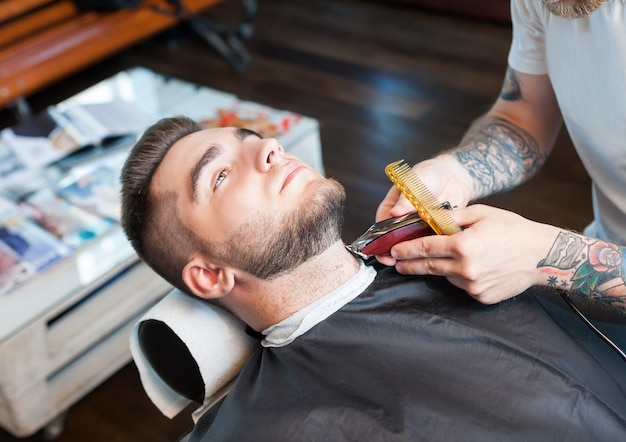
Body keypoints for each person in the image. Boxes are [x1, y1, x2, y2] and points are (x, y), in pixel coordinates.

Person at [121, 116, 625, 441]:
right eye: (221, 175)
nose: (270, 148)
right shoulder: (266, 427)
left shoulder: (486, 247)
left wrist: (549, 252)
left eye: (251, 139)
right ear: (208, 276)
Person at [376, 0, 626, 313]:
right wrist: (456, 172)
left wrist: (545, 256)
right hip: (598, 267)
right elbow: (524, 115)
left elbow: (545, 259)